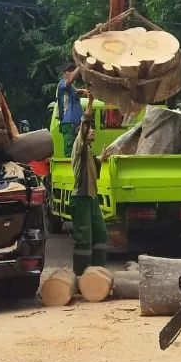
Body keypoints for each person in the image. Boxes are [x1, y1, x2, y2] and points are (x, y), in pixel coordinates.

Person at [69, 102, 107, 277]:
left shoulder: (88, 152)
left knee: (100, 233)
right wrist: (90, 102)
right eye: (90, 129)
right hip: (81, 199)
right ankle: (81, 275)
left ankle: (98, 273)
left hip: (91, 198)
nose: (92, 130)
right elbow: (84, 124)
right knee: (84, 239)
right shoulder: (79, 146)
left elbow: (94, 162)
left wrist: (103, 157)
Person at [56, 64, 85, 157]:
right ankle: (69, 168)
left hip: (77, 123)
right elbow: (70, 80)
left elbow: (76, 91)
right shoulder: (62, 84)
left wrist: (83, 91)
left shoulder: (71, 88)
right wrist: (81, 66)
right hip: (68, 122)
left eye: (73, 70)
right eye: (70, 71)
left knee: (80, 148)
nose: (72, 73)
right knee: (70, 148)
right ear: (65, 73)